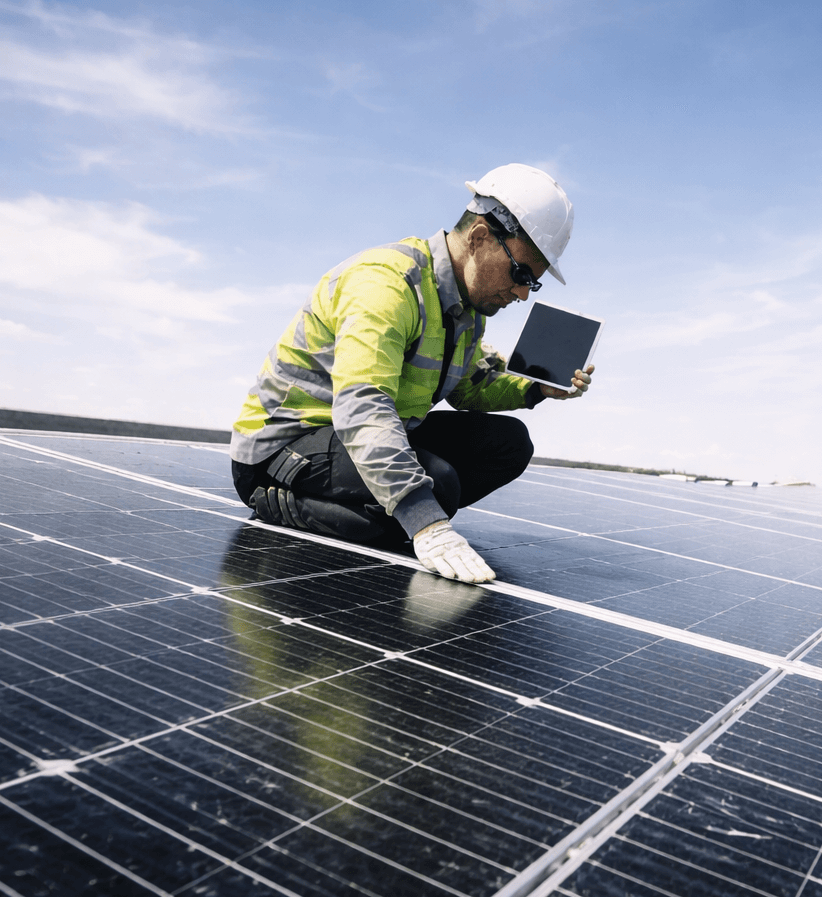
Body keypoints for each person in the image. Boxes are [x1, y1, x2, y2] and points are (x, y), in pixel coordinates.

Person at [229, 164, 594, 583]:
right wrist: (425, 520)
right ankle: (289, 503)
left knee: (509, 444)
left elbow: (472, 387)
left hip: (357, 439)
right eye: (522, 273)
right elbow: (363, 407)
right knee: (434, 489)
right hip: (283, 448)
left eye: (535, 283)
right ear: (478, 237)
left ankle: (384, 513)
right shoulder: (386, 285)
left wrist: (536, 387)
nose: (523, 292)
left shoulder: (468, 311)